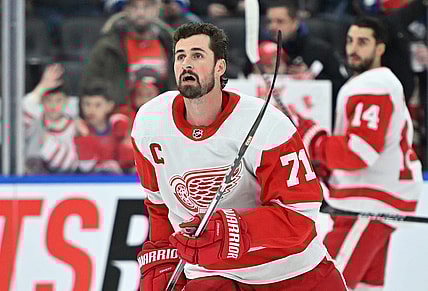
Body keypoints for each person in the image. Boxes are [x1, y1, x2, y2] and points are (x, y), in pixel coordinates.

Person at [132, 22, 347, 291]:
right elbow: (159, 205)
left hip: (292, 272)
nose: (186, 64)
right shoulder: (150, 122)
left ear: (219, 66)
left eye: (197, 55)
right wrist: (162, 259)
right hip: (213, 275)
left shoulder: (267, 124)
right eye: (180, 56)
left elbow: (299, 217)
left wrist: (233, 230)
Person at [289, 16, 423, 290]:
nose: (353, 48)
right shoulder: (375, 84)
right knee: (363, 286)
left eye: (363, 42)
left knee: (325, 284)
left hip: (368, 204)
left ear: (380, 48)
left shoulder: (372, 86)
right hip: (374, 201)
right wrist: (326, 163)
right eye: (350, 40)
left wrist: (312, 138)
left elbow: (357, 153)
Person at [264, 0, 348, 127]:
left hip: (312, 123)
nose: (272, 26)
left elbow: (342, 87)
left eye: (280, 21)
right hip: (271, 123)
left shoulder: (320, 50)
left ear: (295, 22)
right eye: (269, 21)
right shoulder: (260, 50)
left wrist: (312, 78)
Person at [80, 0, 175, 106]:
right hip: (119, 115)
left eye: (147, 6)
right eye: (134, 7)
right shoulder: (108, 46)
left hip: (163, 114)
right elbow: (88, 85)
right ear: (126, 10)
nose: (140, 13)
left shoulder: (171, 45)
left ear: (157, 9)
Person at [23, 64, 79, 174]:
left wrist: (47, 143)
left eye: (58, 100)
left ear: (66, 101)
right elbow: (15, 121)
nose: (53, 105)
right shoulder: (34, 122)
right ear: (41, 101)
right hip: (30, 183)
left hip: (63, 184)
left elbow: (71, 164)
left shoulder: (75, 126)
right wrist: (40, 88)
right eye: (48, 100)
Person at [74, 81, 134, 174]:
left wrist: (125, 140)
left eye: (97, 105)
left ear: (109, 106)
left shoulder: (120, 128)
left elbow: (130, 164)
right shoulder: (77, 131)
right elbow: (85, 168)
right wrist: (84, 136)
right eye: (87, 104)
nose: (91, 110)